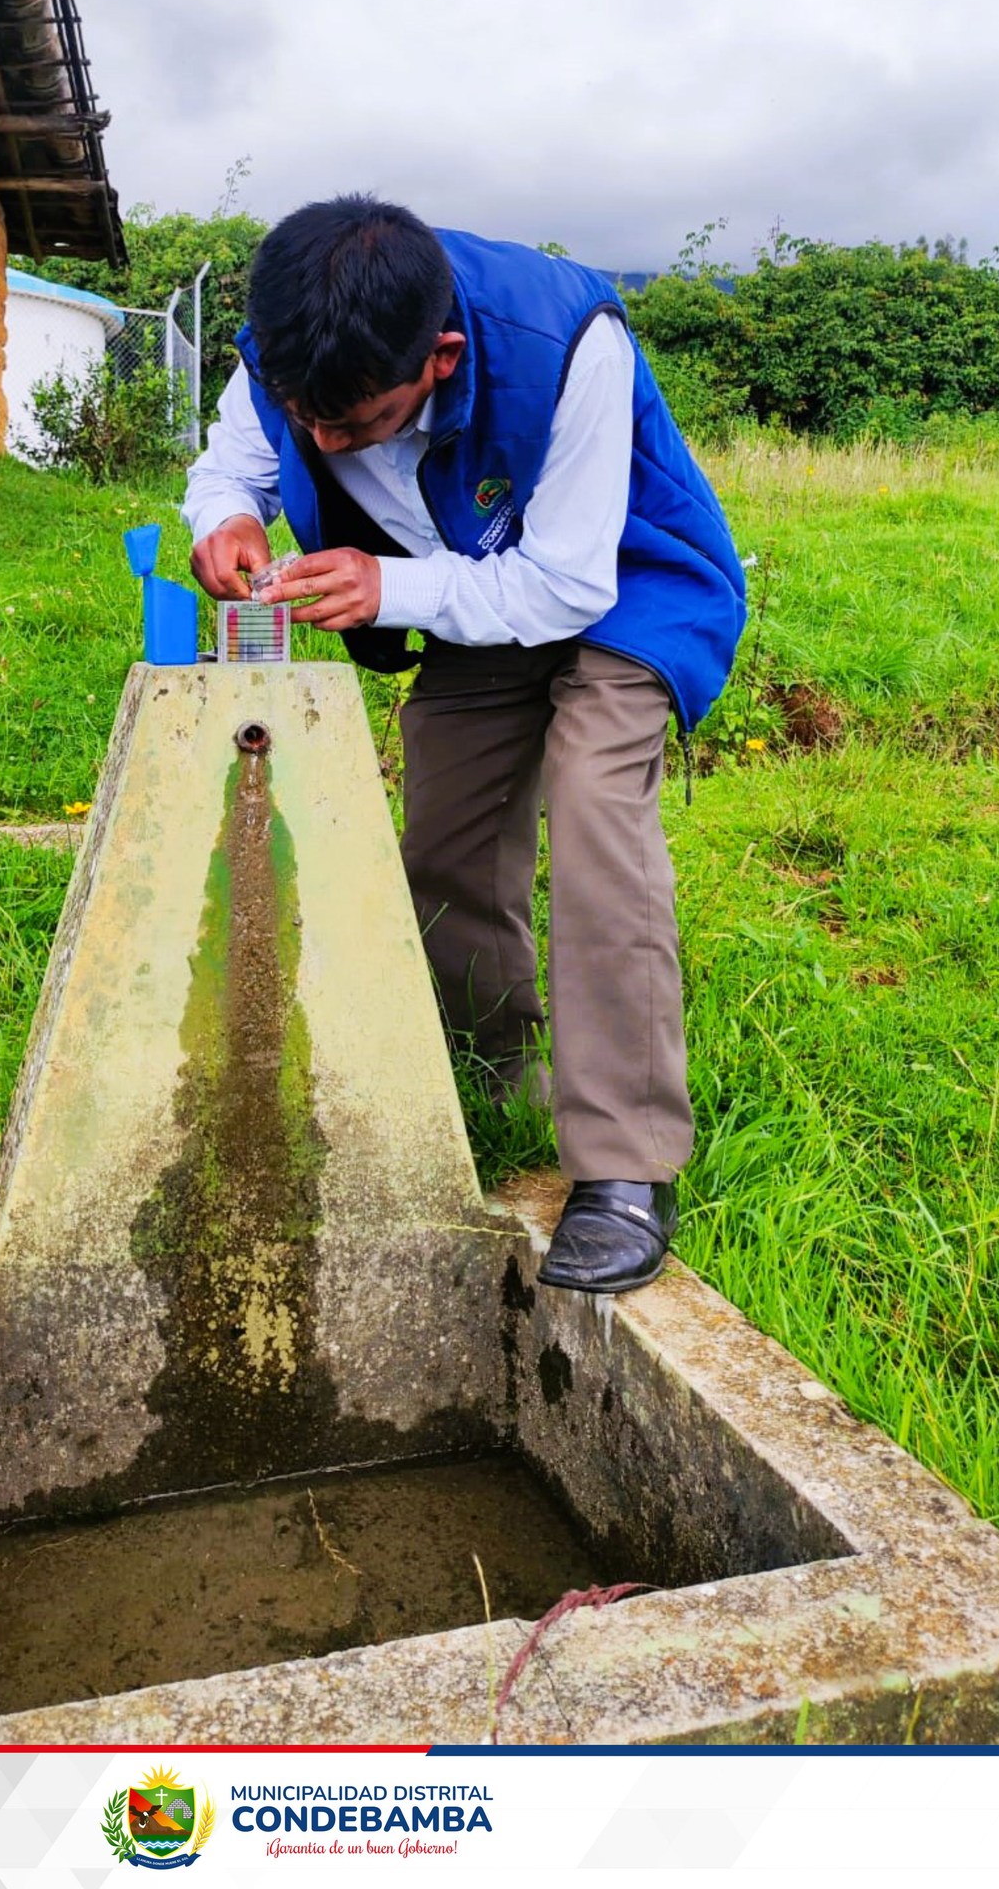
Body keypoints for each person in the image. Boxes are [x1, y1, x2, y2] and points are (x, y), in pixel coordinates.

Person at [184, 196, 745, 1294]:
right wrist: (228, 518)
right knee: (443, 830)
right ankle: (500, 1077)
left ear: (440, 357)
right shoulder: (292, 349)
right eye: (308, 420)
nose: (327, 444)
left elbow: (566, 579)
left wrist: (387, 584)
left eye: (356, 422)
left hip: (625, 586)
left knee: (592, 807)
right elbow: (232, 465)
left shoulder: (570, 344)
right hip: (473, 590)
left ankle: (625, 1163)